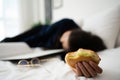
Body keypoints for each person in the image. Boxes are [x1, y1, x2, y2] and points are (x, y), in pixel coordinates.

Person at [1, 18, 106, 77]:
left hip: (41, 47)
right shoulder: (67, 23)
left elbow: (67, 57)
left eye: (63, 45)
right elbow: (39, 36)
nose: (60, 41)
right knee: (10, 40)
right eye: (63, 39)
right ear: (71, 31)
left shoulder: (76, 45)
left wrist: (77, 65)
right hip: (40, 32)